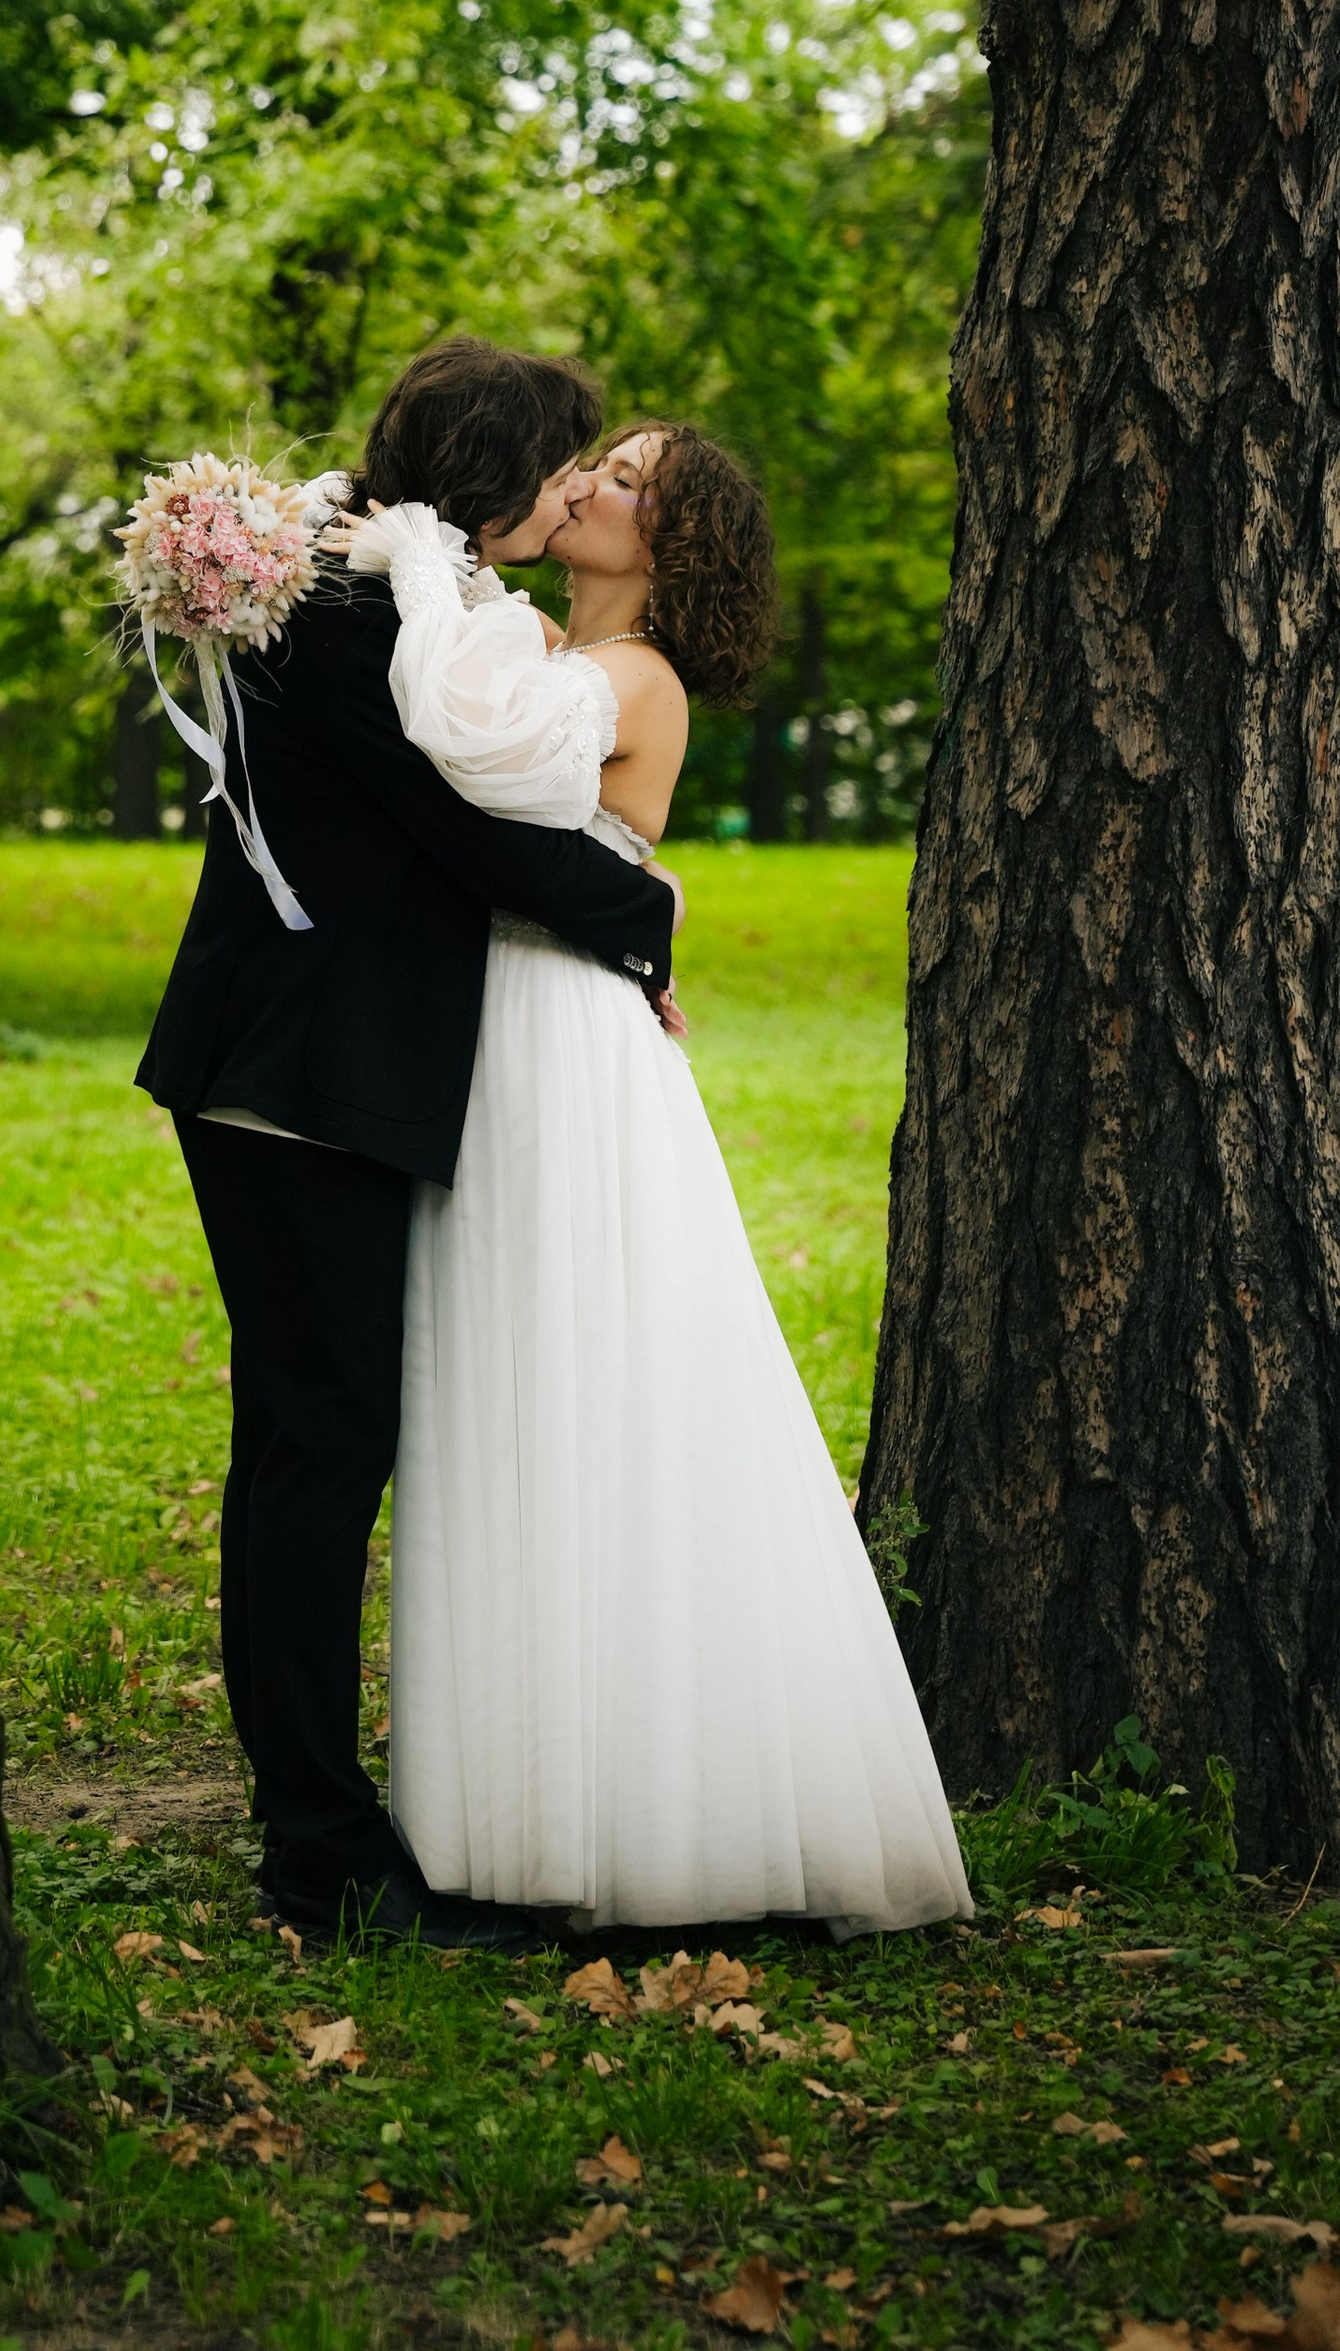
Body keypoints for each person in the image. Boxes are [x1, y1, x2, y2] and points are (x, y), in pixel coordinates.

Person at [376, 422, 972, 1934]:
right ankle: (507, 1800)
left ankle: (640, 1807)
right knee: (501, 1374)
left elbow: (468, 752)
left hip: (564, 1044)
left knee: (591, 1376)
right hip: (497, 1027)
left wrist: (413, 564)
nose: (592, 482)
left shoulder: (631, 678)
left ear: (675, 545)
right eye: (598, 456)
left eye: (634, 481)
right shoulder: (533, 639)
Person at [136, 339, 683, 1948]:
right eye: (563, 465)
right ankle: (321, 1855)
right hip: (294, 1076)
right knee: (317, 1452)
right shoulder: (357, 618)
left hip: (309, 1066)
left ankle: (323, 1827)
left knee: (324, 1443)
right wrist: (644, 908)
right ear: (494, 476)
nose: (576, 489)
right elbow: (474, 844)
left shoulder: (385, 597)